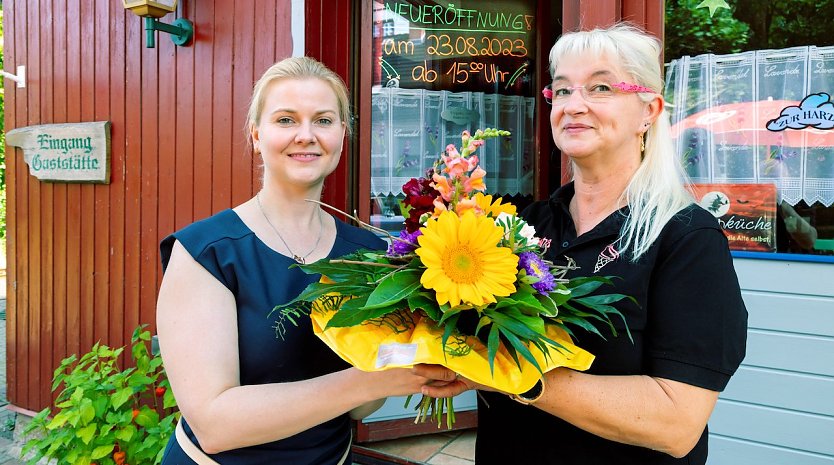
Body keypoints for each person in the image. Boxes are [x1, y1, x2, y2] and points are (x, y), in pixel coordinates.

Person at [423, 23, 748, 464]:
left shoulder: (686, 237)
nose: (574, 106)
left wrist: (515, 375)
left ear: (649, 110)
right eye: (562, 90)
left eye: (600, 87)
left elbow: (677, 422)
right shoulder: (516, 226)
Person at [156, 56, 456, 464]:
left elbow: (359, 410)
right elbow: (215, 426)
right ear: (256, 134)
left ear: (342, 135)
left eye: (324, 120)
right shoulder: (207, 253)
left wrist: (422, 345)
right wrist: (372, 380)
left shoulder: (366, 253)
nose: (306, 135)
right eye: (285, 120)